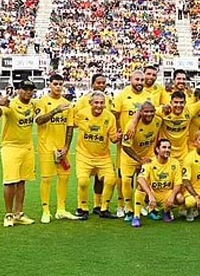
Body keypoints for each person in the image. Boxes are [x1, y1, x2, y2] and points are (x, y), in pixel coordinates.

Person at [63, 91, 120, 220]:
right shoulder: (82, 114)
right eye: (96, 103)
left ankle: (103, 208)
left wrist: (118, 137)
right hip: (84, 155)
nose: (99, 106)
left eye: (101, 103)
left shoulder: (109, 117)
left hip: (103, 156)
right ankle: (82, 208)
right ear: (90, 103)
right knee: (83, 181)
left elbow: (113, 138)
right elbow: (70, 125)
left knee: (111, 180)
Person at [0, 79, 38, 227]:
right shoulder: (10, 105)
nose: (28, 92)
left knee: (22, 181)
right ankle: (9, 214)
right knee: (10, 181)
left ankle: (19, 213)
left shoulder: (33, 104)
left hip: (27, 147)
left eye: (30, 89)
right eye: (25, 89)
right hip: (10, 147)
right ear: (19, 90)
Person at [33, 74, 79, 223]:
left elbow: (70, 127)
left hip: (62, 148)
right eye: (55, 84)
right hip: (46, 147)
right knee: (46, 178)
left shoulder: (67, 104)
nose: (58, 87)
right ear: (50, 85)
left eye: (60, 84)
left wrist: (66, 147)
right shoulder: (42, 102)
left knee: (64, 177)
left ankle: (61, 209)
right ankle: (46, 211)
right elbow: (39, 121)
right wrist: (55, 111)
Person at [112, 70, 155, 217]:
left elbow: (149, 112)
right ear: (130, 79)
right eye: (137, 80)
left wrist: (135, 122)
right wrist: (117, 131)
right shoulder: (122, 95)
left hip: (143, 142)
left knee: (141, 175)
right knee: (123, 176)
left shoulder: (148, 96)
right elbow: (114, 115)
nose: (139, 83)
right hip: (125, 143)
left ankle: (139, 203)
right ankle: (121, 204)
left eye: (142, 80)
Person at [120, 101, 163, 221]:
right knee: (126, 181)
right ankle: (128, 209)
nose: (149, 114)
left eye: (151, 111)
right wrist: (139, 160)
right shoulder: (131, 126)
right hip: (130, 156)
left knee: (146, 182)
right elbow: (125, 146)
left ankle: (149, 207)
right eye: (146, 111)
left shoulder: (158, 121)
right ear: (141, 112)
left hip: (148, 155)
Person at [132, 139, 185, 227]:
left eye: (169, 148)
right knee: (140, 186)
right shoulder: (149, 162)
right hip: (152, 193)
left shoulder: (175, 163)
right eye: (164, 147)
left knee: (180, 198)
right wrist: (150, 194)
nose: (167, 150)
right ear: (157, 149)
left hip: (166, 194)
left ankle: (166, 211)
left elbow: (178, 183)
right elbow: (140, 179)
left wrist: (172, 197)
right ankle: (136, 216)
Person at [157, 91, 194, 162]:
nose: (178, 105)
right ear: (171, 103)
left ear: (185, 103)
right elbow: (145, 109)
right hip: (166, 153)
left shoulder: (189, 111)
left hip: (183, 155)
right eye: (176, 102)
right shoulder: (163, 111)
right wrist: (133, 125)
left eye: (181, 102)